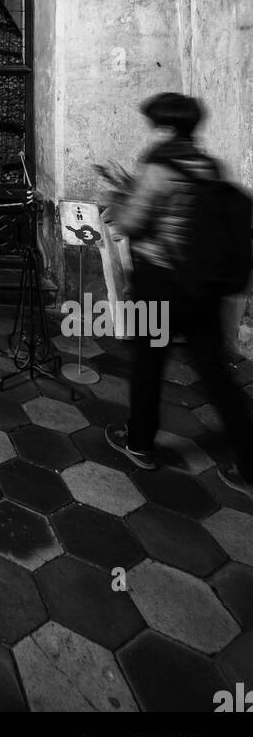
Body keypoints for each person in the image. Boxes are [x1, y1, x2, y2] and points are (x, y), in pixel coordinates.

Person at [100, 91, 253, 497]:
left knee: (149, 362)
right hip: (201, 286)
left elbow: (132, 222)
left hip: (160, 284)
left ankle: (139, 442)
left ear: (165, 126)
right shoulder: (209, 166)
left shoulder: (159, 166)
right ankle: (249, 463)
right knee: (216, 375)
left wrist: (118, 198)